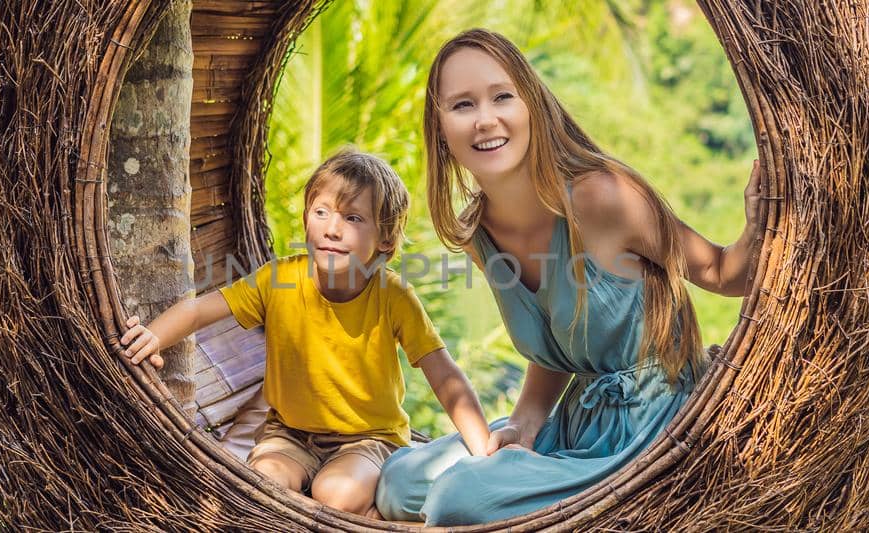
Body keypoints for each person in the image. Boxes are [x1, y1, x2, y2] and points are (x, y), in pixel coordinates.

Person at [374, 29, 763, 525]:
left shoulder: (601, 198)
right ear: (441, 128)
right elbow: (556, 341)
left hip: (653, 426)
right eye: (462, 105)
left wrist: (758, 224)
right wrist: (525, 424)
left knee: (457, 499)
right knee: (399, 481)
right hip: (580, 419)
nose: (486, 119)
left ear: (530, 105)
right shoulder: (479, 235)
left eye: (502, 97)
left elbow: (722, 273)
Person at [119, 148, 491, 518]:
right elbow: (200, 309)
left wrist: (483, 450)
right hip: (289, 434)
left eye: (353, 218)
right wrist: (152, 337)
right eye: (321, 212)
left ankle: (361, 508)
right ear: (306, 220)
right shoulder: (280, 279)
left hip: (368, 440)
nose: (332, 228)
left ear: (386, 240)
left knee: (337, 494)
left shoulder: (393, 297)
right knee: (264, 483)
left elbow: (445, 378)